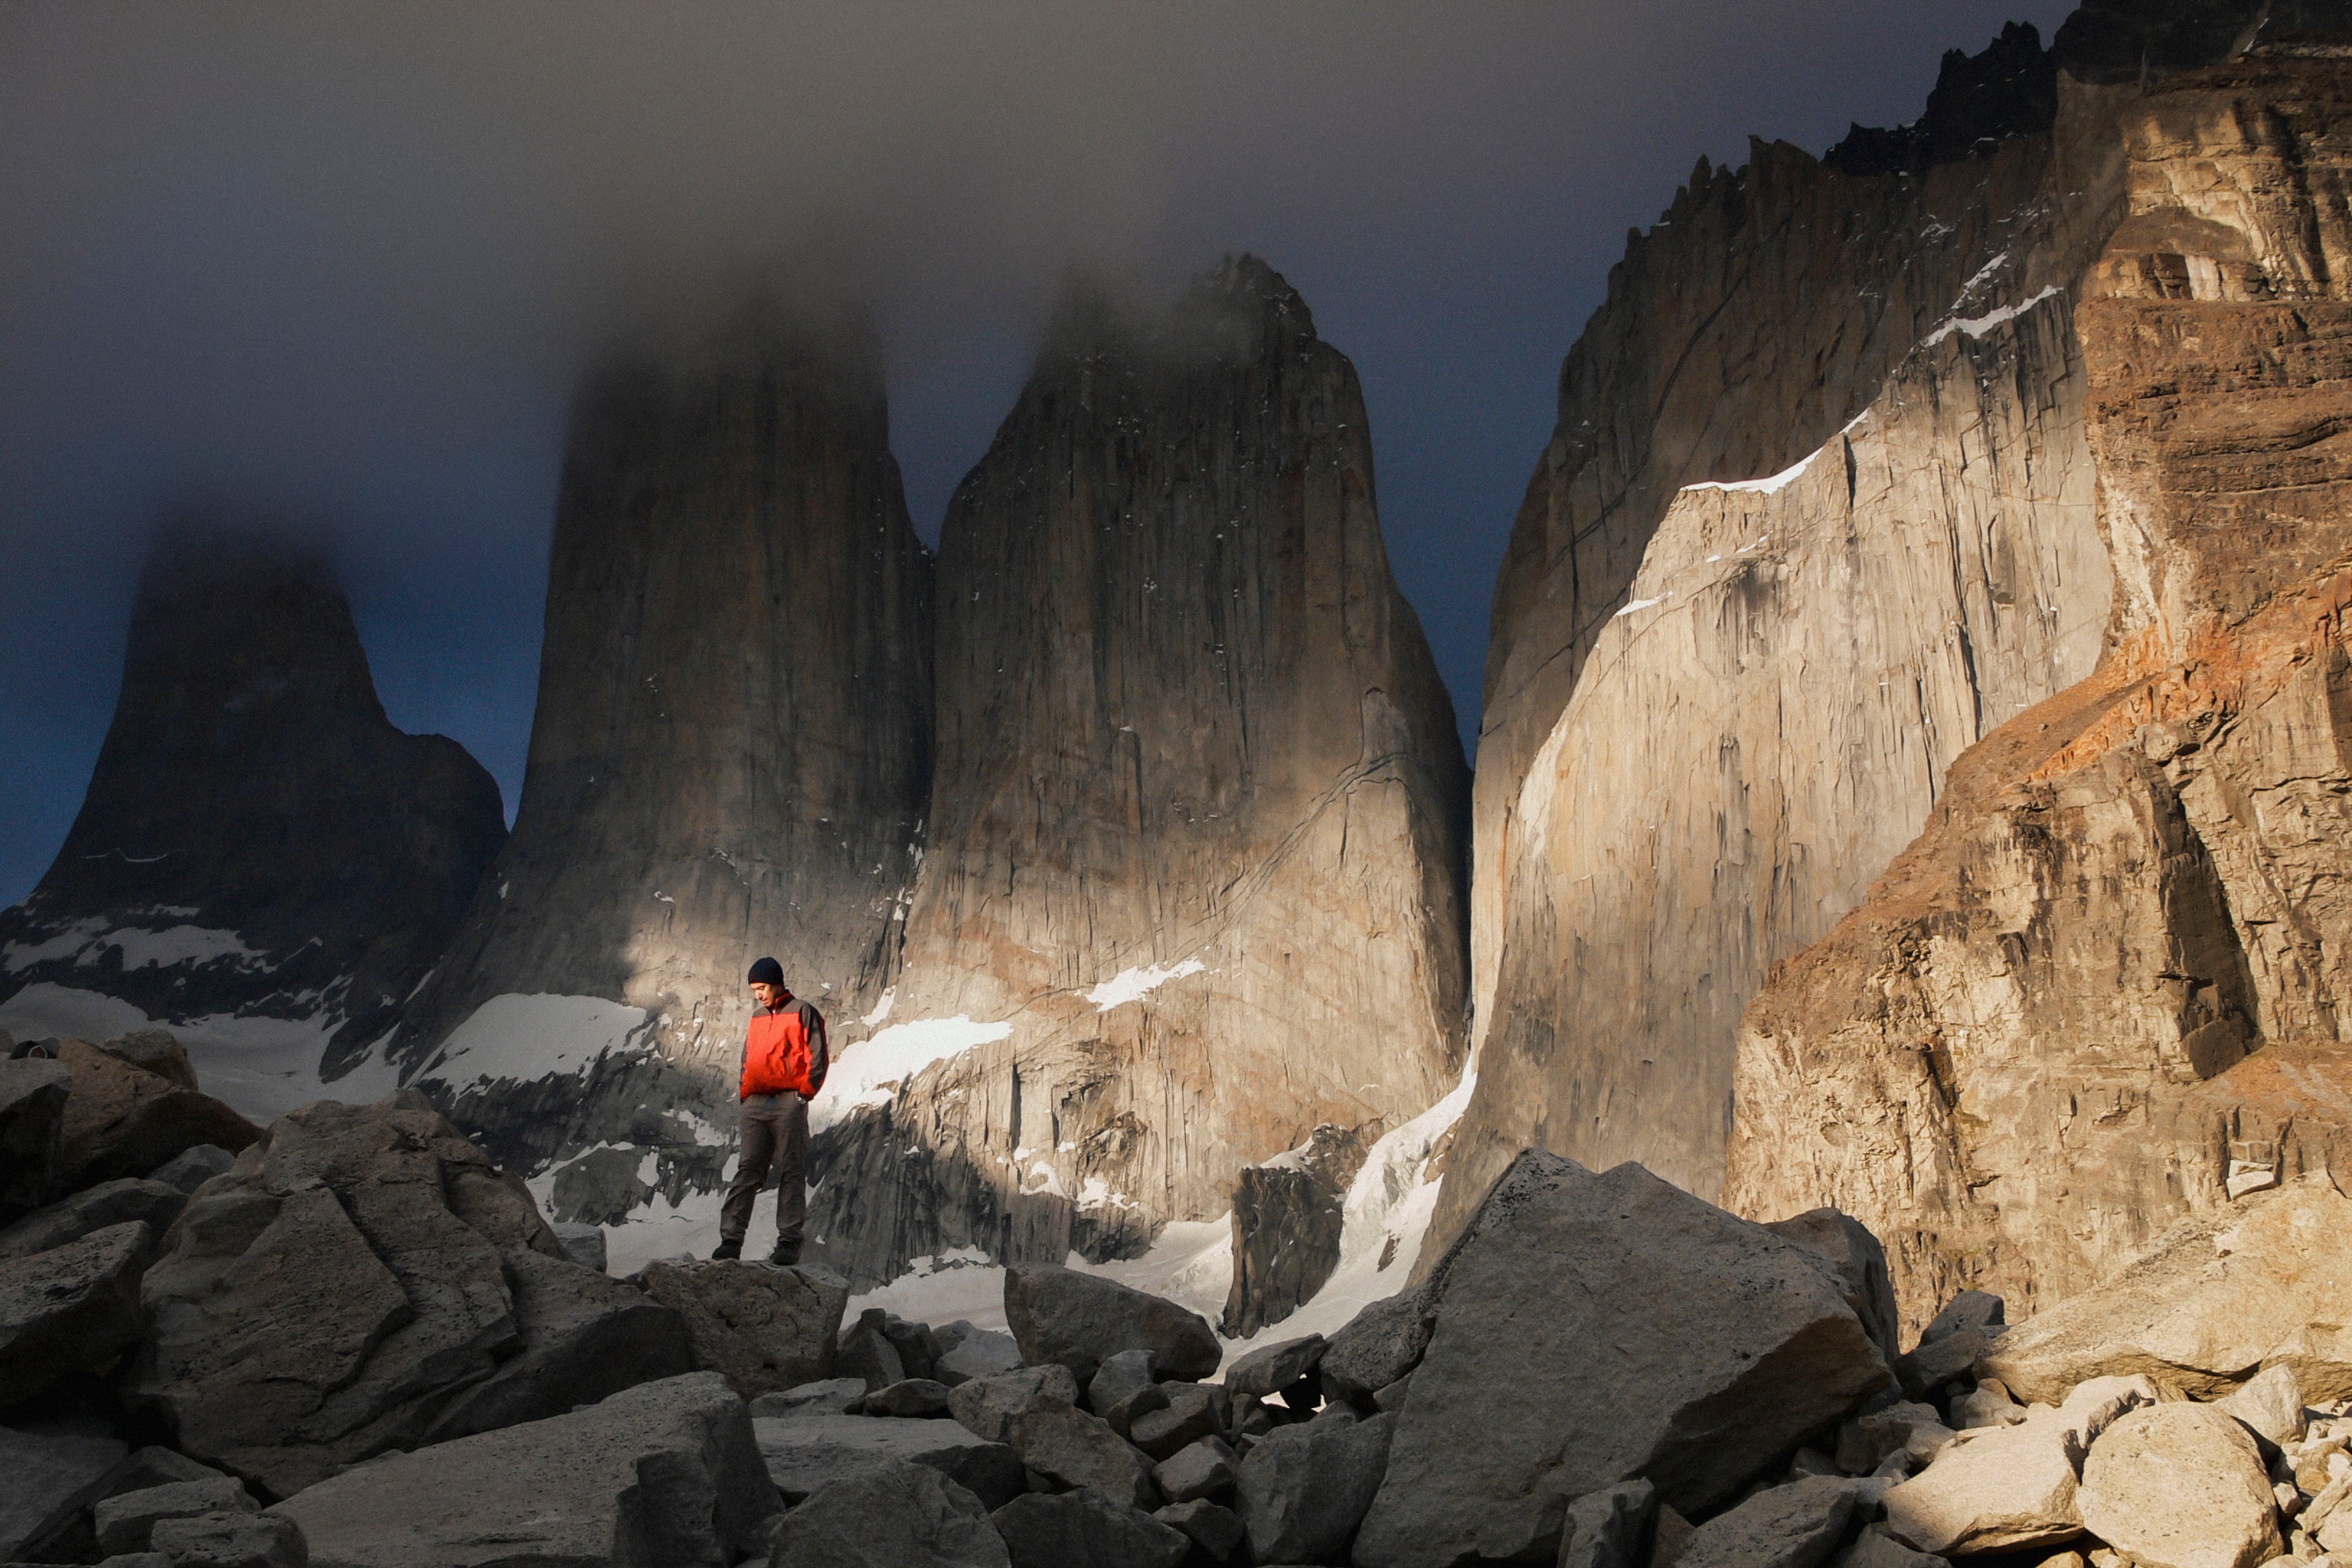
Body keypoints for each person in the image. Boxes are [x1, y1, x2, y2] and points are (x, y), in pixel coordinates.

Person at [713, 956, 828, 1263]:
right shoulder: (757, 1017)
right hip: (755, 1103)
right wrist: (745, 1092)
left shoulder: (803, 1011)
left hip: (789, 1100)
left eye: (762, 988)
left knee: (791, 1169)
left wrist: (805, 1093)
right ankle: (730, 1241)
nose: (758, 995)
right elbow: (747, 1056)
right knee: (748, 1169)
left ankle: (788, 1242)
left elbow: (818, 1055)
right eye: (754, 989)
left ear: (777, 983)